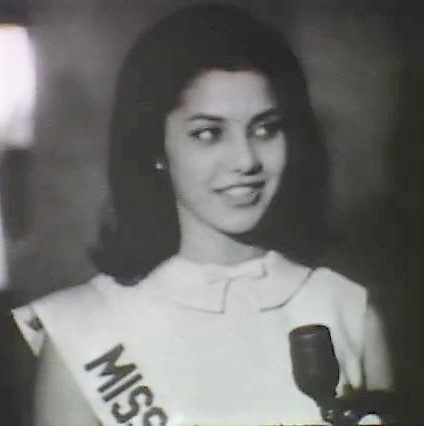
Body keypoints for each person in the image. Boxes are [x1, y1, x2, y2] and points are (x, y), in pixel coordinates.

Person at [12, 4, 392, 425]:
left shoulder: (346, 310)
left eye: (265, 128)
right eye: (208, 134)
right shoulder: (83, 331)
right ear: (155, 147)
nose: (246, 160)